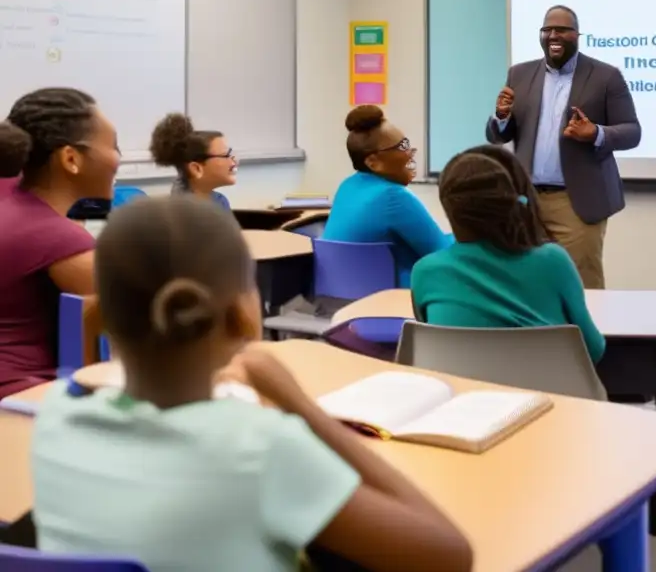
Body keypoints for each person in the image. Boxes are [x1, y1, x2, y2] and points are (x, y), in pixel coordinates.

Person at [31, 195, 473, 572]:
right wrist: (301, 408)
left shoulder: (54, 417)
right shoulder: (261, 447)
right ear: (244, 314)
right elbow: (450, 555)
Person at [485, 5, 641, 290]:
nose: (553, 35)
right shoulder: (519, 74)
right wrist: (502, 115)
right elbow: (497, 136)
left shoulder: (605, 76)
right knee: (527, 282)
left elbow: (632, 132)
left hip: (576, 202)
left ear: (577, 35)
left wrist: (595, 133)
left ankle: (586, 336)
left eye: (562, 30)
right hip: (526, 200)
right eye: (547, 29)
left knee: (580, 285)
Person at [411, 145, 605, 364]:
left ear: (450, 208)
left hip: (467, 395)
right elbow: (593, 349)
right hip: (550, 395)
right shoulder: (553, 261)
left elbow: (434, 343)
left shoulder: (426, 271)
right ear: (518, 200)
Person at [0, 88, 120, 399]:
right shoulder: (57, 239)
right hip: (21, 400)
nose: (118, 159)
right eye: (114, 146)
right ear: (71, 159)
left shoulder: (9, 193)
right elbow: (145, 326)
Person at [324, 105, 451, 287]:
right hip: (388, 298)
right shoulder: (393, 197)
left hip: (341, 297)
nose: (410, 153)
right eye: (401, 147)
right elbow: (442, 253)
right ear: (373, 162)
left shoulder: (347, 186)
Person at [149, 112, 235, 210]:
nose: (233, 161)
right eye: (225, 155)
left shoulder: (218, 201)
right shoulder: (185, 210)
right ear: (196, 168)